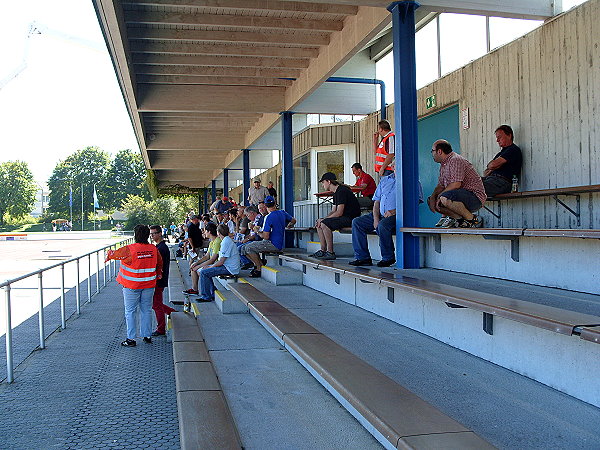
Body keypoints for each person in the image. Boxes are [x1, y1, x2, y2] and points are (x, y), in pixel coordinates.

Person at [105, 224, 162, 347]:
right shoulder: (153, 249)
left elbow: (114, 254)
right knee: (146, 310)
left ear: (136, 235)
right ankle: (147, 336)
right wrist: (158, 274)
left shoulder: (130, 249)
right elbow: (160, 263)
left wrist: (108, 254)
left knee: (130, 312)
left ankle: (131, 339)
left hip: (132, 286)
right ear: (148, 235)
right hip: (149, 285)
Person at [428, 140, 487, 228]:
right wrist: (433, 197)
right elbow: (441, 185)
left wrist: (440, 196)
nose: (432, 154)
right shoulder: (443, 164)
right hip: (460, 196)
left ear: (439, 151)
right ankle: (459, 219)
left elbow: (456, 184)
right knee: (431, 200)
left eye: (432, 151)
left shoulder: (455, 160)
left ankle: (472, 220)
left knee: (444, 197)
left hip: (475, 197)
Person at [240, 196, 296, 277]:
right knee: (244, 248)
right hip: (280, 243)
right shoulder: (282, 212)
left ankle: (259, 269)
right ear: (275, 204)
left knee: (247, 248)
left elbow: (265, 236)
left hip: (273, 244)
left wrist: (257, 231)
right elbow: (294, 220)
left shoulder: (268, 217)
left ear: (266, 206)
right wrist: (289, 225)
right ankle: (259, 265)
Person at [349, 171, 397, 267]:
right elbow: (376, 202)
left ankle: (388, 258)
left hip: (398, 215)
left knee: (383, 225)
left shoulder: (410, 180)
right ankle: (363, 258)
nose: (394, 167)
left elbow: (414, 202)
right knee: (357, 222)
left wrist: (394, 211)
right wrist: (376, 218)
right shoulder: (384, 180)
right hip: (380, 214)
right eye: (393, 165)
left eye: (396, 164)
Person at [310, 172, 361, 260]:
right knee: (319, 223)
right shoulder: (335, 192)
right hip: (343, 217)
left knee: (324, 224)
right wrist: (322, 219)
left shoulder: (342, 191)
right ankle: (323, 250)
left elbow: (339, 212)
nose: (322, 185)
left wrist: (324, 220)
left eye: (323, 182)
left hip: (351, 218)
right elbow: (333, 211)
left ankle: (330, 252)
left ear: (328, 181)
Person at [197, 224, 241, 302]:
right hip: (227, 266)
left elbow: (221, 262)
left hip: (229, 269)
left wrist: (210, 267)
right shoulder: (226, 240)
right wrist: (210, 266)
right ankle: (212, 292)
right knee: (205, 271)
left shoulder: (225, 242)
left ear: (218, 233)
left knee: (204, 272)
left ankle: (206, 296)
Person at [149, 225, 176, 336]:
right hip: (160, 279)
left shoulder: (161, 248)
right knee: (156, 304)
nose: (152, 236)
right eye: (151, 234)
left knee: (156, 305)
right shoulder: (160, 247)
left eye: (154, 233)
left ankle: (161, 329)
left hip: (159, 280)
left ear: (160, 233)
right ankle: (173, 313)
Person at [482, 125, 523, 197]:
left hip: (501, 183)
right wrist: (495, 165)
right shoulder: (501, 153)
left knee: (474, 187)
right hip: (490, 180)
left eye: (499, 137)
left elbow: (492, 165)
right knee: (468, 181)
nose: (497, 140)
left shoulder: (513, 150)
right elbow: (485, 172)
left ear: (509, 136)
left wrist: (493, 166)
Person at [183, 222, 221, 295]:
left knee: (200, 270)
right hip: (213, 262)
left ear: (209, 232)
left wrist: (199, 266)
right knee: (194, 267)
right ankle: (195, 289)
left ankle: (212, 290)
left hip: (217, 264)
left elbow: (212, 259)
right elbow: (207, 256)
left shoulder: (217, 241)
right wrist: (196, 263)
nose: (204, 233)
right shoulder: (212, 242)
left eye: (205, 231)